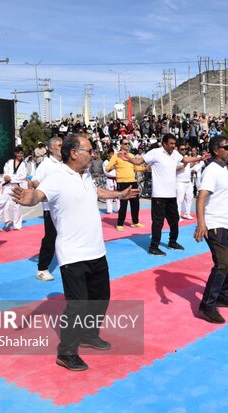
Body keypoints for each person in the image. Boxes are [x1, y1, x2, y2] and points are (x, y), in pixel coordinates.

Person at [10, 134, 140, 371]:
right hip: (72, 254)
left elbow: (95, 191)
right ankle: (66, 352)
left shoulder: (86, 174)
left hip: (97, 250)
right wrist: (26, 199)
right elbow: (37, 195)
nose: (93, 154)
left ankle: (89, 335)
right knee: (78, 305)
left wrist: (119, 195)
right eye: (89, 150)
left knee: (100, 300)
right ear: (73, 153)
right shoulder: (57, 177)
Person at [194, 135, 228, 324]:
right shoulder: (211, 171)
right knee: (223, 263)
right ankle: (207, 306)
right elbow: (201, 198)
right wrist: (201, 223)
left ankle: (223, 295)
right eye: (227, 147)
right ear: (216, 150)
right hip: (215, 225)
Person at [126, 133, 207, 256]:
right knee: (158, 222)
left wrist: (199, 159)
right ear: (164, 143)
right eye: (171, 144)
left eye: (174, 144)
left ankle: (172, 242)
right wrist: (128, 158)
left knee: (174, 220)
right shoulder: (155, 152)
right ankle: (153, 246)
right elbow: (138, 161)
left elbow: (185, 159)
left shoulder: (175, 154)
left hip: (171, 195)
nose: (173, 146)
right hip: (159, 195)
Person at [30, 136, 63, 281]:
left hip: (66, 206)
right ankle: (42, 268)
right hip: (51, 207)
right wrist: (47, 191)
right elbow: (35, 181)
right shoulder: (46, 164)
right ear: (50, 148)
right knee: (51, 237)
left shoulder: (66, 163)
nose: (62, 148)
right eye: (59, 145)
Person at [105, 138, 146, 231]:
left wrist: (145, 169)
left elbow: (136, 167)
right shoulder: (115, 156)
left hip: (133, 181)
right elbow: (107, 168)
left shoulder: (131, 155)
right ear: (121, 145)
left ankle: (135, 222)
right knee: (123, 204)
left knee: (135, 203)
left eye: (128, 144)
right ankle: (120, 224)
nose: (127, 145)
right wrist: (114, 166)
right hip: (122, 182)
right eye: (125, 143)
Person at [3, 146, 29, 230]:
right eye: (18, 153)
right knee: (4, 203)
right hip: (7, 185)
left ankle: (17, 225)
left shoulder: (24, 164)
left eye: (21, 153)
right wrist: (6, 176)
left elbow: (23, 176)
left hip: (17, 186)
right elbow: (5, 171)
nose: (19, 154)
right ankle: (7, 220)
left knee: (17, 205)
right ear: (15, 153)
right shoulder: (9, 162)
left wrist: (12, 178)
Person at [176, 143, 196, 221]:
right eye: (182, 149)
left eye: (185, 149)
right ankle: (178, 216)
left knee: (189, 198)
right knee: (179, 199)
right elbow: (174, 168)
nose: (184, 151)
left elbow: (188, 166)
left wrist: (193, 163)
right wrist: (183, 165)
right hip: (180, 181)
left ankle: (187, 213)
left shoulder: (186, 157)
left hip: (188, 181)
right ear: (178, 149)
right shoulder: (176, 158)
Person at [102, 148, 120, 214]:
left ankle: (119, 209)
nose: (112, 155)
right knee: (109, 195)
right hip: (109, 180)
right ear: (108, 155)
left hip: (117, 180)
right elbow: (106, 172)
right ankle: (109, 210)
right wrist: (112, 168)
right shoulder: (105, 162)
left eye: (113, 154)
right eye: (111, 154)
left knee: (118, 195)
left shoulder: (116, 161)